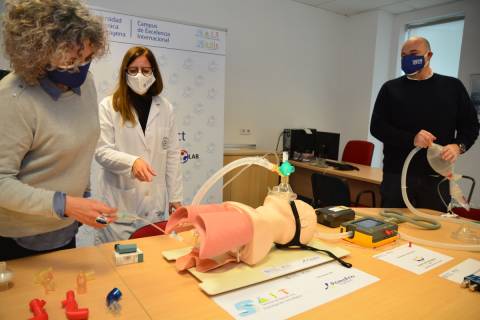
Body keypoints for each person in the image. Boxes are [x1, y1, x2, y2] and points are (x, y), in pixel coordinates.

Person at [0, 0, 117, 260]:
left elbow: (80, 144)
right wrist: (66, 204)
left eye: (87, 58)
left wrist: (82, 199)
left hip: (63, 227)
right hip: (17, 238)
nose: (81, 68)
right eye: (71, 60)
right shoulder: (13, 98)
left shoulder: (86, 84)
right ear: (38, 52)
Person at [370, 36, 479, 211]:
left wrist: (458, 146)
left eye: (413, 54)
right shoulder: (391, 89)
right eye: (403, 55)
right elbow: (377, 127)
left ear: (429, 55)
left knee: (432, 228)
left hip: (436, 176)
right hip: (397, 174)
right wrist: (411, 139)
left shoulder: (452, 87)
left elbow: (471, 126)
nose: (407, 59)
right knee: (392, 227)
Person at [94, 46, 183, 243]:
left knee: (150, 265)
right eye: (133, 71)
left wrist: (175, 197)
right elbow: (102, 151)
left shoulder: (165, 108)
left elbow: (173, 155)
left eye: (146, 70)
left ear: (154, 72)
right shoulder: (109, 106)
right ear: (125, 72)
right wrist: (132, 162)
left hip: (154, 206)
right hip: (120, 207)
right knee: (116, 266)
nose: (139, 76)